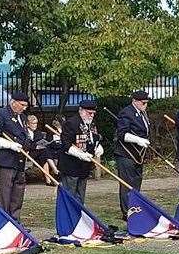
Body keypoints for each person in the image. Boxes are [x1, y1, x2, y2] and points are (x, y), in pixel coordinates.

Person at [0, 91, 33, 221]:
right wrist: (10, 145)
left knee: (18, 193)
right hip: (6, 161)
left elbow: (25, 136)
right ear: (13, 102)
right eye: (22, 105)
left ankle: (15, 221)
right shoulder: (1, 114)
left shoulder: (23, 117)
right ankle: (4, 222)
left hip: (20, 160)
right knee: (6, 194)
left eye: (26, 105)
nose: (24, 108)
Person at [112, 90, 152, 219]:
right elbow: (122, 134)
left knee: (136, 181)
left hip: (138, 154)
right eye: (143, 102)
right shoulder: (126, 112)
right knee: (127, 183)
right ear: (134, 101)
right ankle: (127, 211)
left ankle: (135, 206)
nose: (145, 105)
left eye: (146, 103)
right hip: (126, 153)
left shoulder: (142, 113)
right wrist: (138, 140)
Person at [58, 99, 103, 202]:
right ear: (81, 110)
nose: (91, 116)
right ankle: (69, 216)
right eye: (89, 113)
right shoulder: (71, 123)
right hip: (71, 166)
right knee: (70, 195)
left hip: (84, 166)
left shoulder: (91, 123)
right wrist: (80, 154)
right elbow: (66, 144)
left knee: (80, 196)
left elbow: (94, 138)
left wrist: (98, 146)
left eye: (93, 113)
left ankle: (79, 215)